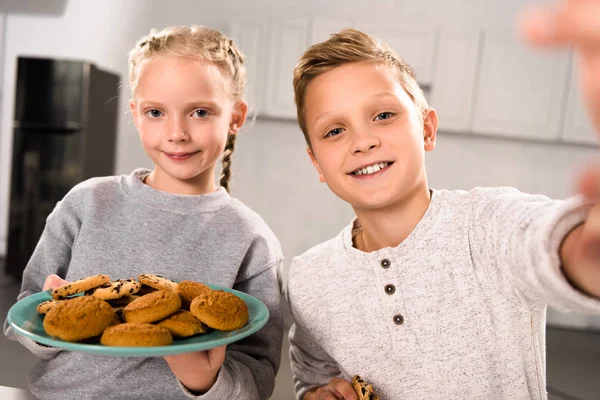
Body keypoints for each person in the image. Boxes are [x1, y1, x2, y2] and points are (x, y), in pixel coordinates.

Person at [286, 1, 600, 399]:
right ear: (316, 162)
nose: (363, 141)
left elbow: (557, 246)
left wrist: (586, 248)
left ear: (427, 130)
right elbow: (314, 379)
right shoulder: (309, 279)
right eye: (334, 131)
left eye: (383, 115)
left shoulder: (488, 225)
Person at [4, 25, 283, 400]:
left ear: (234, 117)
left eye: (200, 112)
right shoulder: (85, 203)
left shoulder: (251, 239)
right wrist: (51, 320)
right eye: (156, 112)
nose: (177, 132)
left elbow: (258, 377)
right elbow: (21, 319)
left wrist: (203, 380)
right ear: (135, 114)